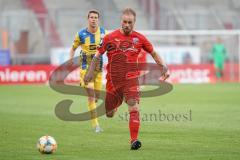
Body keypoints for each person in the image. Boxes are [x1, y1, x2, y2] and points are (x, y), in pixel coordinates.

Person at [84, 8, 169, 150]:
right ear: (121, 21)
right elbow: (98, 56)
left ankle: (134, 140)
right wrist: (90, 72)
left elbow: (153, 53)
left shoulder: (140, 39)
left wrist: (163, 67)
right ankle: (115, 105)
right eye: (124, 22)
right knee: (109, 113)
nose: (127, 25)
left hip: (131, 79)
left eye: (130, 22)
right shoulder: (110, 38)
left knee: (133, 106)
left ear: (134, 23)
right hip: (113, 80)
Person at [69, 10, 107, 133]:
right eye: (91, 17)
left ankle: (83, 84)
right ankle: (96, 125)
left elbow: (108, 48)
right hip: (85, 68)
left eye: (96, 17)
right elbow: (73, 48)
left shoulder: (103, 33)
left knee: (96, 98)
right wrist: (70, 61)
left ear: (98, 19)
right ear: (88, 19)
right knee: (91, 96)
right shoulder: (81, 34)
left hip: (98, 69)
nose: (93, 19)